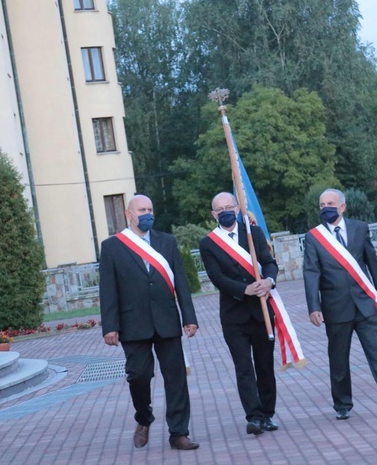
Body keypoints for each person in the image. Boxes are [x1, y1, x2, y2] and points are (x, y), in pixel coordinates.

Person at [99, 194, 199, 450]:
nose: (147, 213)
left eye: (150, 209)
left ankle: (179, 433)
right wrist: (110, 326)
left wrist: (189, 317)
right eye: (141, 209)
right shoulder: (112, 246)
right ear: (128, 214)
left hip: (167, 320)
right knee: (139, 376)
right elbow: (108, 289)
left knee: (176, 378)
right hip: (133, 324)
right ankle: (143, 418)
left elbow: (182, 283)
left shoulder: (167, 241)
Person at [303, 188, 377, 420]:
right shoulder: (314, 237)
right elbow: (311, 273)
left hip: (364, 304)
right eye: (322, 205)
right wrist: (314, 306)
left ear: (342, 206)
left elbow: (372, 263)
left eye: (330, 203)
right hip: (335, 307)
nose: (326, 208)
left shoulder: (360, 228)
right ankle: (342, 405)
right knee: (339, 361)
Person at [198, 192, 279, 436]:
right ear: (214, 214)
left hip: (261, 312)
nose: (225, 211)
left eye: (229, 207)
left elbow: (269, 261)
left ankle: (267, 414)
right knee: (244, 367)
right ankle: (253, 416)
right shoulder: (208, 243)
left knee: (265, 366)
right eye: (219, 209)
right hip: (234, 316)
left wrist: (269, 282)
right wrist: (244, 289)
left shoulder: (253, 233)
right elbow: (216, 277)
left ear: (237, 208)